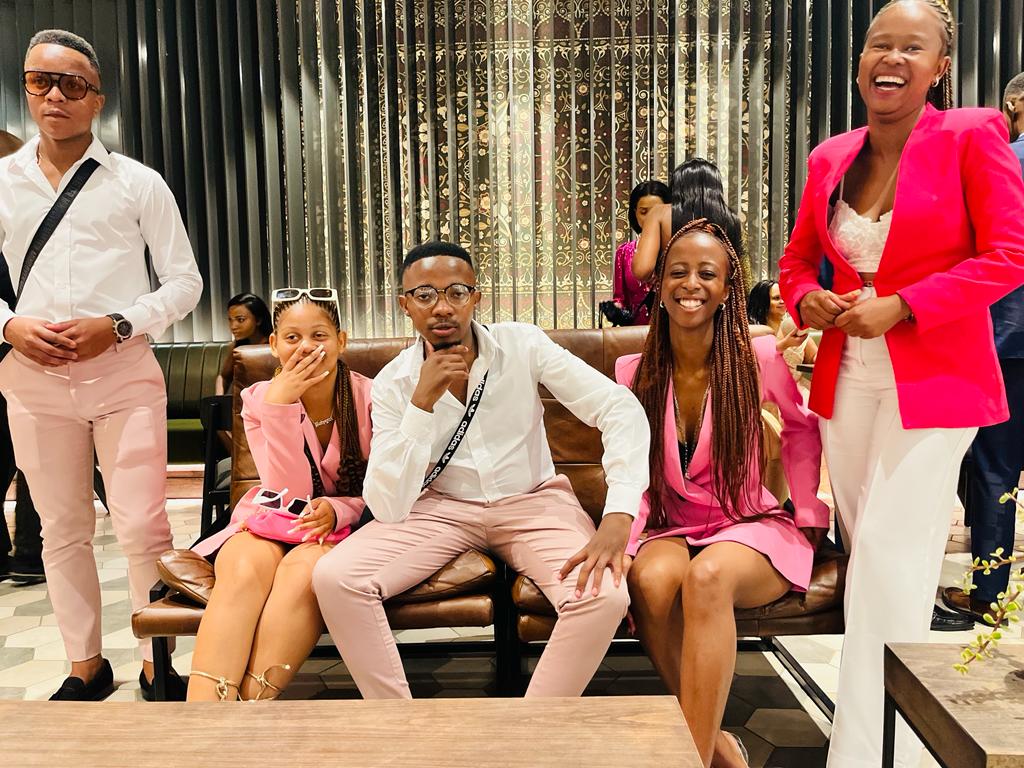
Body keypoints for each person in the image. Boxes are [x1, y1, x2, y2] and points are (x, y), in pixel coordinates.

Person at [778, 3, 1024, 766]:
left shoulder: (972, 135)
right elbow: (797, 263)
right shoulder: (831, 156)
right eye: (878, 44)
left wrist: (906, 304)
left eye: (911, 47)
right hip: (847, 380)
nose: (891, 57)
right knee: (879, 564)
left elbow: (1009, 255)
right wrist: (807, 301)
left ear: (939, 68)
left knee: (891, 556)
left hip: (939, 377)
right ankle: (897, 743)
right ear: (860, 61)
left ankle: (864, 755)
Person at [312, 241, 649, 699]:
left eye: (456, 292)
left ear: (476, 297)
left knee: (603, 596)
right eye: (425, 295)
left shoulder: (522, 344)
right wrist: (421, 404)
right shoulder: (394, 382)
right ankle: (397, 722)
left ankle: (532, 727)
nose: (442, 307)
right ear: (405, 305)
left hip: (533, 501)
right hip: (442, 509)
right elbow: (387, 506)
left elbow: (617, 407)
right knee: (336, 578)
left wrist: (619, 514)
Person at [0, 30, 203, 701]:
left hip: (122, 373)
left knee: (143, 523)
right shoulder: (3, 182)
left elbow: (185, 282)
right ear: (27, 89)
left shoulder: (136, 183)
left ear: (97, 99)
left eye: (72, 84)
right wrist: (9, 325)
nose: (55, 96)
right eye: (41, 81)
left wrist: (117, 324)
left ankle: (156, 660)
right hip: (32, 381)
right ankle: (84, 665)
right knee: (61, 529)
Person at [620, 219, 829, 768]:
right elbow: (629, 467)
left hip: (747, 522)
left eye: (706, 274)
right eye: (678, 272)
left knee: (707, 577)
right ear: (659, 284)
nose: (691, 284)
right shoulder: (632, 370)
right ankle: (715, 747)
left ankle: (690, 758)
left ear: (727, 288)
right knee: (650, 580)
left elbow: (801, 428)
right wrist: (626, 538)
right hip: (671, 520)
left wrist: (809, 507)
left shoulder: (757, 358)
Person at [187, 290, 372, 701]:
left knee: (304, 573)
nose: (305, 347)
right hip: (277, 518)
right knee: (242, 568)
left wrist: (339, 509)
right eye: (292, 337)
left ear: (341, 341)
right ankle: (202, 717)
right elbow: (289, 492)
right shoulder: (259, 399)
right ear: (273, 344)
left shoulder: (371, 397)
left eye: (319, 335)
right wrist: (281, 405)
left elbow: (387, 490)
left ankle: (250, 709)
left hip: (347, 527)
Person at [942, 70, 1024, 622]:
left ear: (1015, 106)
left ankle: (989, 594)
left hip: (1005, 338)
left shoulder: (1001, 163)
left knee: (995, 466)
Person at [631, 157, 744, 286]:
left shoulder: (659, 214)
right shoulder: (731, 220)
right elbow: (736, 271)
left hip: (676, 293)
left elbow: (642, 270)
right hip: (716, 294)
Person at [606, 180, 669, 326]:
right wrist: (614, 311)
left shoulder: (678, 251)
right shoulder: (624, 252)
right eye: (644, 212)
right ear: (635, 213)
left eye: (657, 212)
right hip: (635, 334)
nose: (651, 219)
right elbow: (620, 300)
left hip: (671, 332)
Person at [216, 292, 272, 395]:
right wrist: (219, 399)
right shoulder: (237, 346)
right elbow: (224, 376)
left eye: (240, 320)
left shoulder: (273, 346)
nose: (233, 326)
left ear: (258, 320)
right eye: (230, 320)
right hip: (241, 401)